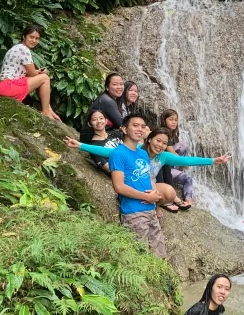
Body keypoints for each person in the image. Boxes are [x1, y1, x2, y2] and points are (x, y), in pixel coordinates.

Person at [65, 127, 229, 212]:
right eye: (158, 141)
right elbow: (108, 151)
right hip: (132, 184)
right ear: (149, 139)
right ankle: (148, 203)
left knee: (170, 192)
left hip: (149, 187)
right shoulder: (136, 149)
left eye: (164, 143)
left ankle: (156, 205)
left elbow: (185, 160)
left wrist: (213, 160)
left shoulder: (163, 156)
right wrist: (81, 145)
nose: (160, 145)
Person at [107, 114, 178, 258]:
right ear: (124, 129)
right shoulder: (118, 153)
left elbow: (149, 176)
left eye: (143, 126)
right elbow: (119, 187)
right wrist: (146, 196)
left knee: (160, 256)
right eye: (135, 125)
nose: (140, 129)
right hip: (134, 213)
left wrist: (155, 195)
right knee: (139, 256)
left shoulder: (143, 154)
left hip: (150, 210)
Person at [0, 25, 61, 121]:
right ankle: (46, 111)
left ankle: (48, 109)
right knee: (45, 78)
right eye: (31, 37)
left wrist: (37, 72)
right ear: (24, 36)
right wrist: (40, 72)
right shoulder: (24, 49)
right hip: (8, 87)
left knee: (40, 79)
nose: (34, 40)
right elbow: (33, 74)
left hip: (3, 86)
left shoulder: (17, 47)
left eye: (37, 38)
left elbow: (29, 74)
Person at [159, 108, 198, 205]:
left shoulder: (172, 134)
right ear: (164, 120)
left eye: (175, 120)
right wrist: (185, 163)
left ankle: (177, 169)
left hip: (169, 165)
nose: (174, 122)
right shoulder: (164, 134)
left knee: (183, 145)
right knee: (188, 178)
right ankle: (188, 201)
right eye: (170, 119)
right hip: (164, 169)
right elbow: (173, 154)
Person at [168, 274, 232, 315]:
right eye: (219, 287)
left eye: (227, 289)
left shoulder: (221, 309)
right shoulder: (198, 309)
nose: (223, 292)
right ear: (210, 288)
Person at [81, 73, 125, 142]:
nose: (119, 87)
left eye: (121, 84)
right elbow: (122, 124)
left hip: (100, 133)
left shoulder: (110, 98)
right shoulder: (107, 101)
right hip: (92, 137)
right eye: (115, 84)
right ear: (107, 87)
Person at [82, 109, 123, 174]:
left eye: (101, 118)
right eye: (94, 119)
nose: (99, 121)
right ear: (89, 124)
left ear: (106, 121)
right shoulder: (94, 146)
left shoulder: (116, 133)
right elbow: (108, 168)